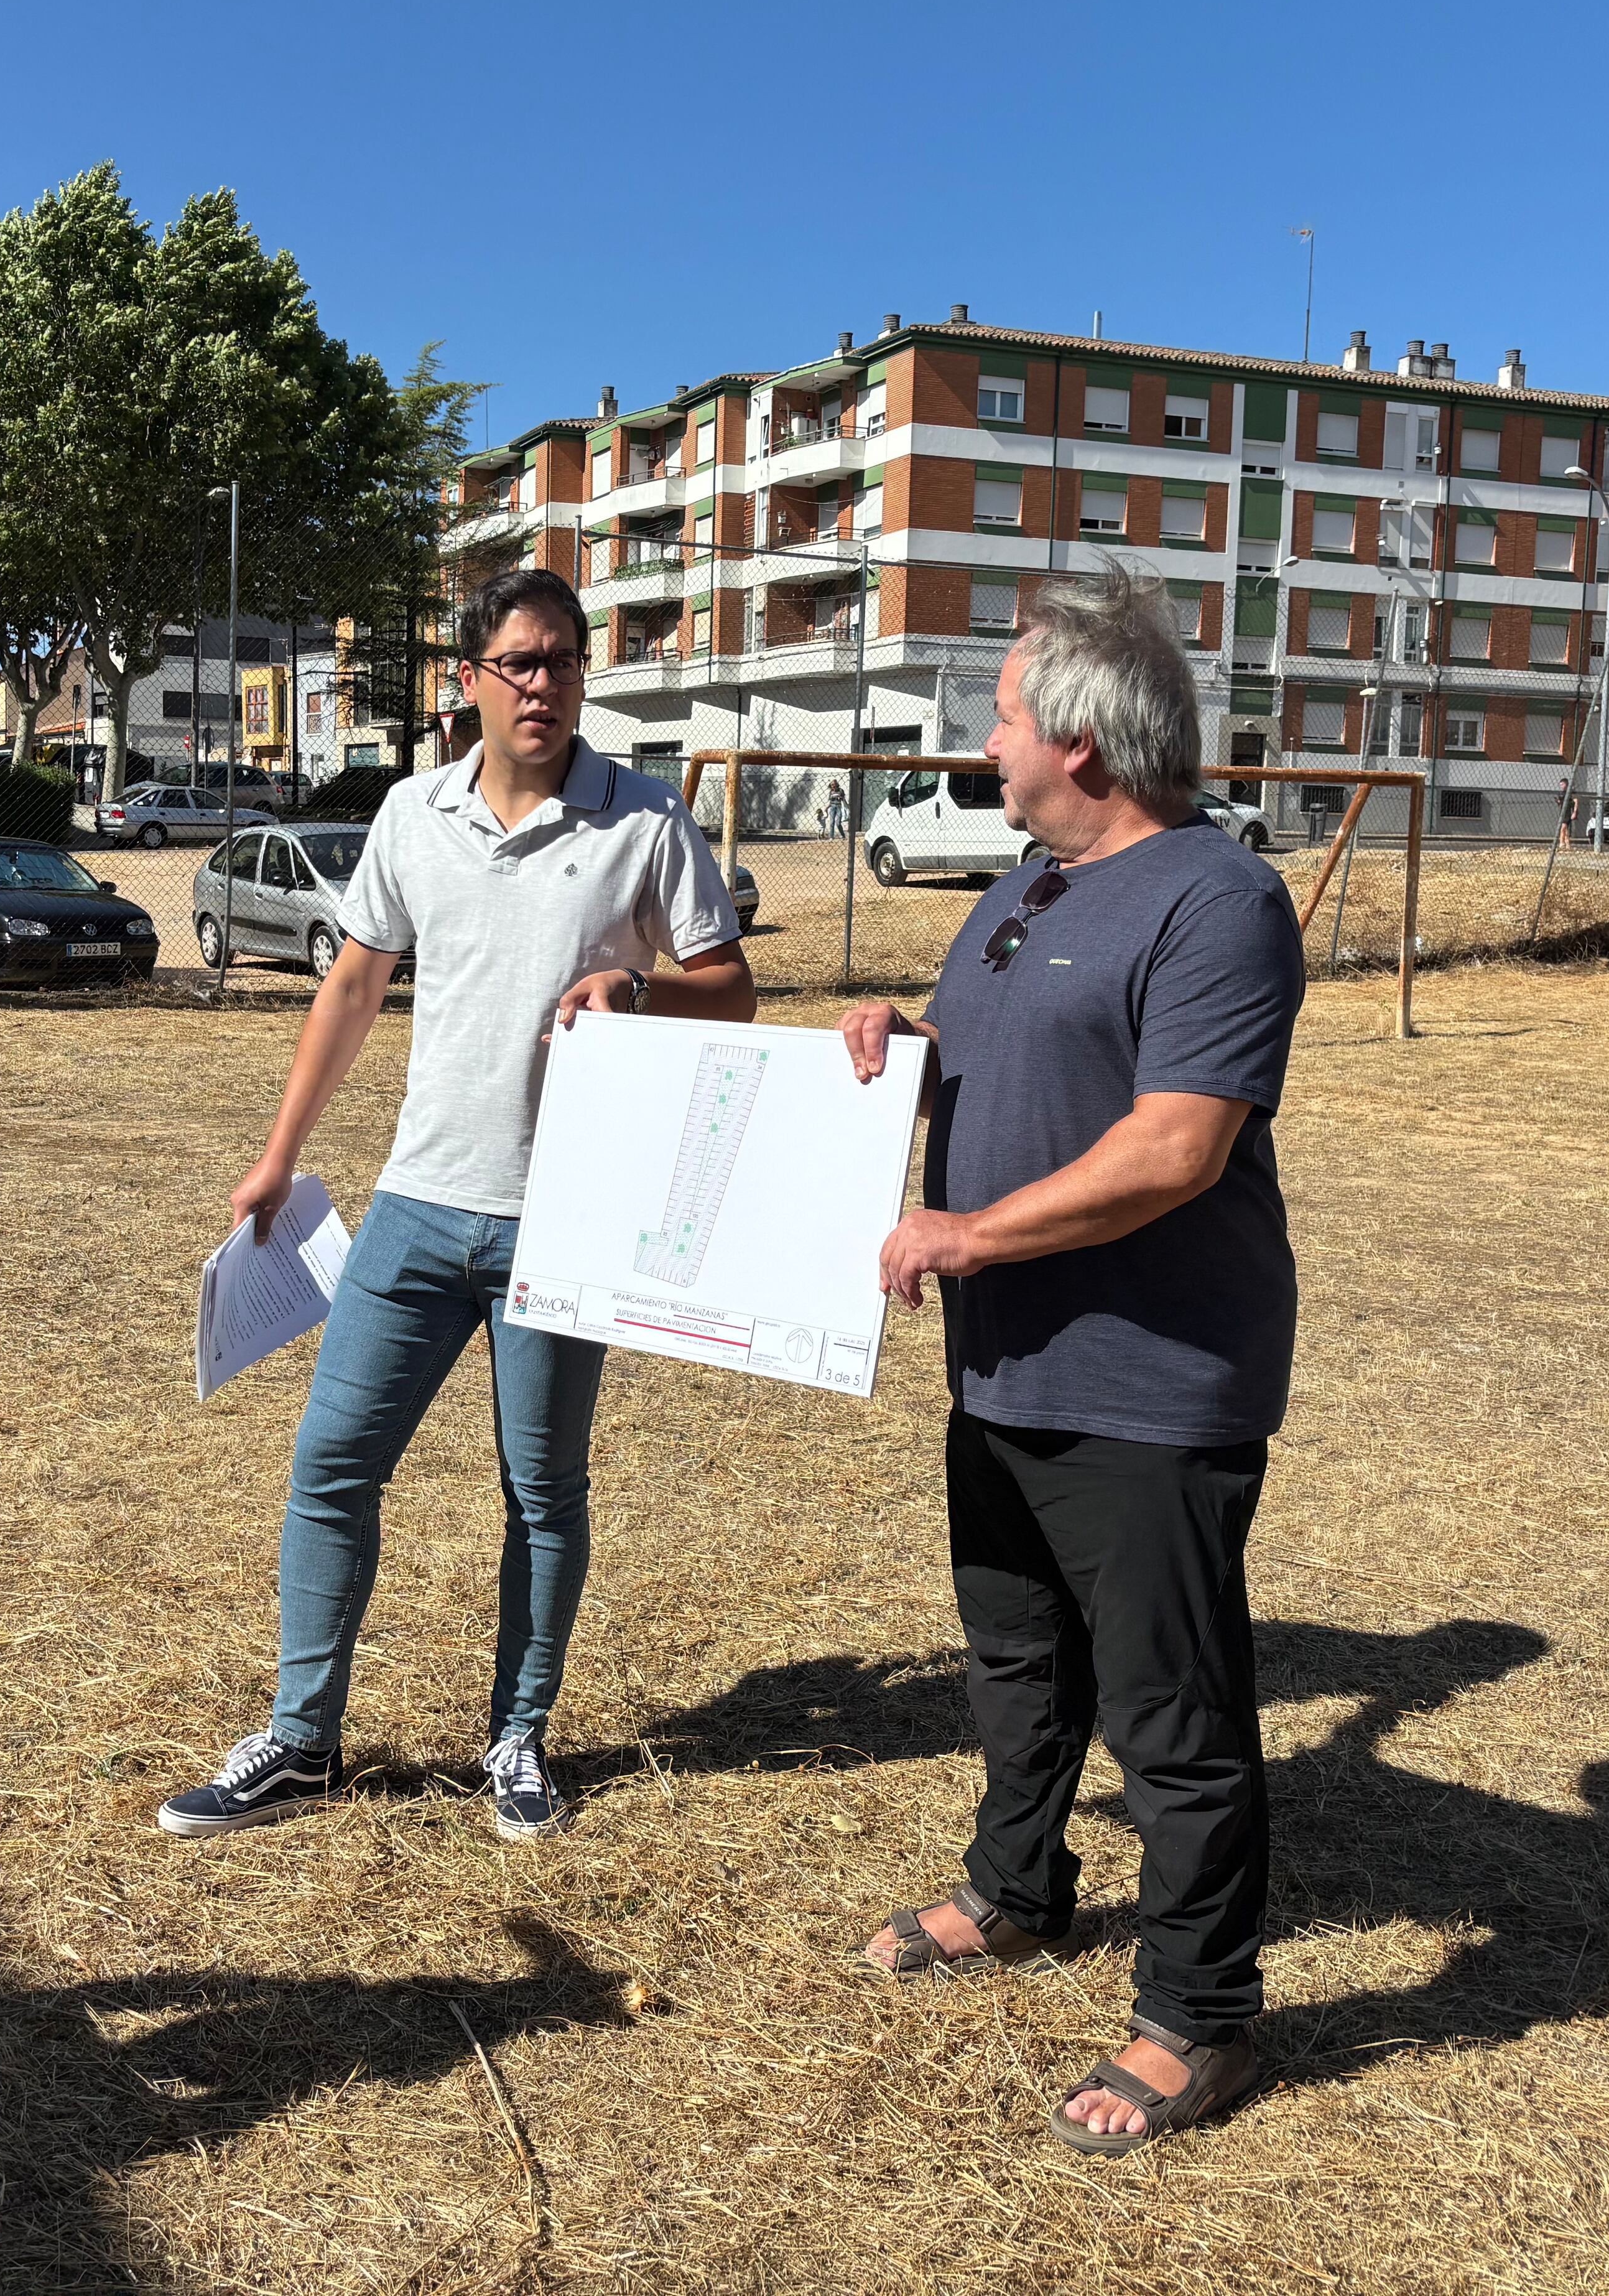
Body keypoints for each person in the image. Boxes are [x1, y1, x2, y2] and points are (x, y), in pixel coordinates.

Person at [160, 565, 754, 1844]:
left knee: (542, 1490)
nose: (542, 685)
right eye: (518, 662)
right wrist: (278, 1154)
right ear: (470, 681)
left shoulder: (645, 822)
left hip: (567, 1224)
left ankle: (517, 1739)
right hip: (418, 1210)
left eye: (562, 661)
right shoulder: (410, 814)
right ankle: (304, 1743)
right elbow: (351, 991)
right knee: (331, 1465)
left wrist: (639, 992)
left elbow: (733, 988)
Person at [837, 570, 1306, 2155]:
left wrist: (965, 1238)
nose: (990, 734)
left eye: (1007, 711)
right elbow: (998, 1069)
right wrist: (891, 1053)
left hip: (1148, 1379)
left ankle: (1199, 2016)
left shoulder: (1215, 898)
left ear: (1086, 747)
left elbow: (1176, 1148)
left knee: (1173, 1715)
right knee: (1018, 1663)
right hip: (1005, 1366)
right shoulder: (1022, 888)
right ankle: (1016, 1889)